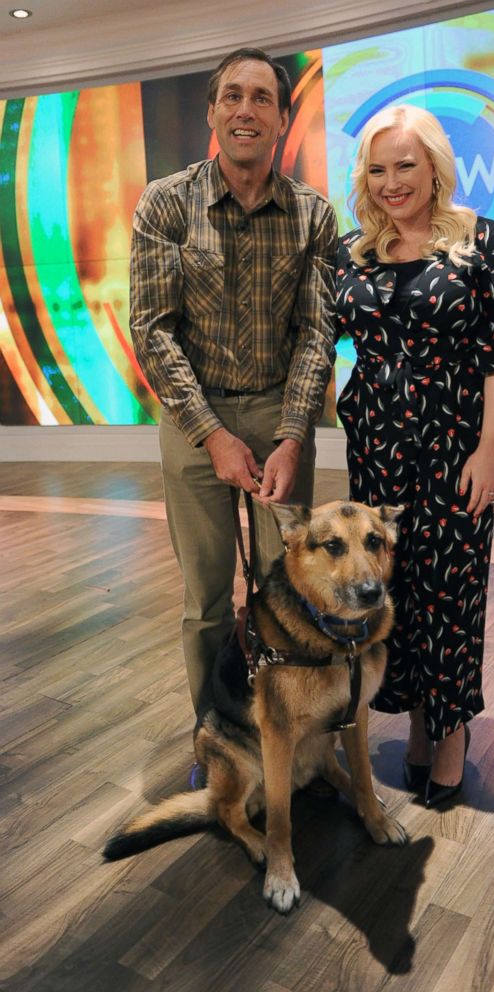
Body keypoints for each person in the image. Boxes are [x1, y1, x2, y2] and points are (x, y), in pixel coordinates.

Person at [335, 104, 494, 808]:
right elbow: (313, 340)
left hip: (456, 449)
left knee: (451, 594)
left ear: (433, 168)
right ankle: (420, 725)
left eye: (405, 165)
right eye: (377, 168)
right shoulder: (351, 252)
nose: (391, 182)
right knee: (396, 592)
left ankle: (452, 732)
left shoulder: (479, 242)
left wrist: (489, 451)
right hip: (375, 454)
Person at [130, 48, 337, 717]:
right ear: (213, 111)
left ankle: (292, 735)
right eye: (232, 96)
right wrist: (212, 434)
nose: (245, 109)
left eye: (261, 99)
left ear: (281, 118)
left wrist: (291, 437)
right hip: (195, 423)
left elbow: (315, 335)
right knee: (207, 598)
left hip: (281, 417)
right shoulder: (165, 204)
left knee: (291, 590)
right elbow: (153, 330)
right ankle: (215, 734)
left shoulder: (313, 215)